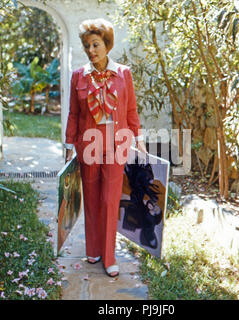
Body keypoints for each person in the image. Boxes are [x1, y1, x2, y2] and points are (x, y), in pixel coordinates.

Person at [64, 18, 146, 277]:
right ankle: (94, 248)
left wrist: (139, 139)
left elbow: (131, 110)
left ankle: (109, 257)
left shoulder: (123, 73)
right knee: (91, 197)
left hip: (116, 144)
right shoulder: (79, 75)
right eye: (87, 45)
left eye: (96, 44)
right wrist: (69, 144)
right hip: (87, 145)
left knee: (110, 200)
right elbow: (74, 114)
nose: (91, 50)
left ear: (107, 45)